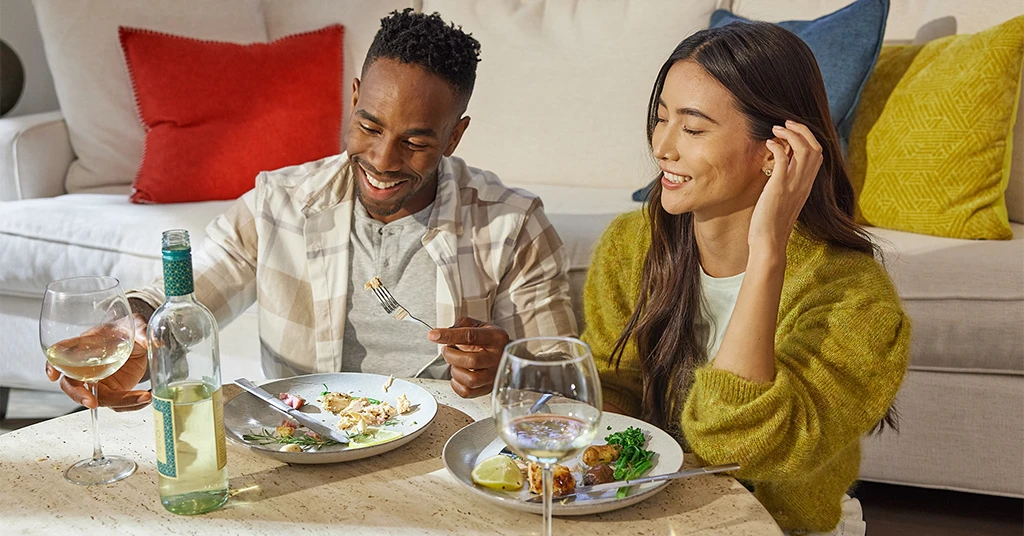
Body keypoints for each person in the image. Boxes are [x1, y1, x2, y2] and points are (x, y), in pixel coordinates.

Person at [46, 9, 577, 409]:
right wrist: (133, 331)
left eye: (416, 142)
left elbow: (565, 380)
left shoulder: (512, 223)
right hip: (305, 443)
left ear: (455, 135)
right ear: (352, 99)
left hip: (450, 453)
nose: (383, 160)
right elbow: (183, 300)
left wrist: (508, 366)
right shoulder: (278, 203)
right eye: (369, 126)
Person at [582, 22, 910, 535]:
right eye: (660, 118)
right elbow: (614, 378)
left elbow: (737, 445)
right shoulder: (632, 245)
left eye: (692, 129)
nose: (663, 147)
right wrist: (568, 412)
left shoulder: (855, 300)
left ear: (775, 150)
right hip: (648, 514)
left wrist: (767, 256)